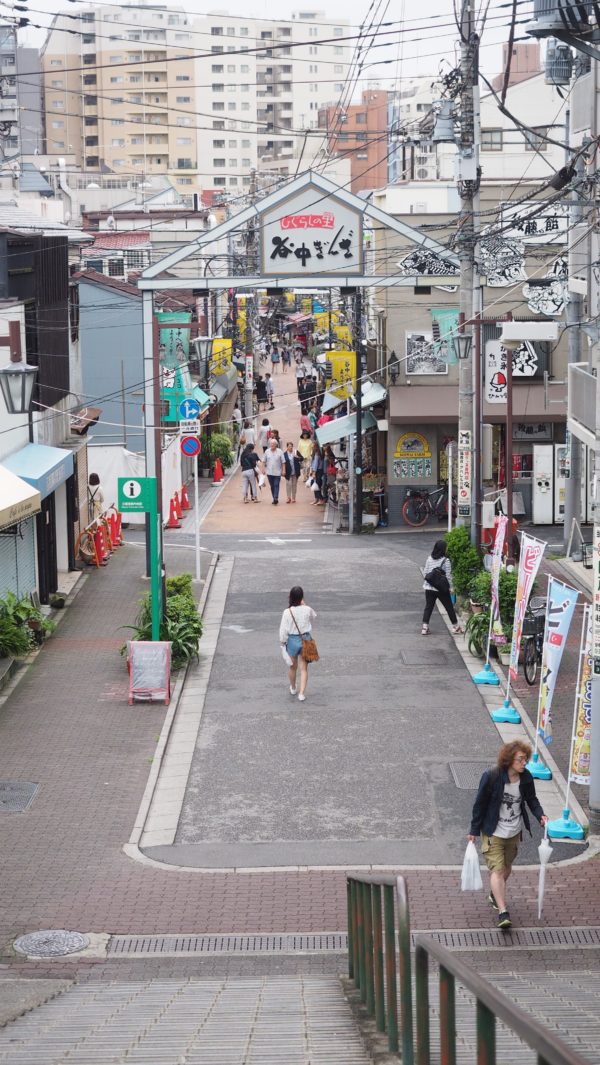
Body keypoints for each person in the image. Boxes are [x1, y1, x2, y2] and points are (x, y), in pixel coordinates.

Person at [468, 740, 548, 930]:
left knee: (506, 869)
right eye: (521, 759)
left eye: (525, 760)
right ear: (509, 759)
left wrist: (540, 815)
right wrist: (473, 830)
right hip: (493, 831)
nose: (524, 763)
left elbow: (532, 800)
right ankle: (503, 912)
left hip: (513, 831)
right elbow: (479, 804)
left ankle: (494, 894)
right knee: (496, 870)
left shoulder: (526, 777)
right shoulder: (491, 776)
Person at [279, 585, 317, 702]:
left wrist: (283, 641)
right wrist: (304, 605)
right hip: (306, 639)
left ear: (290, 597)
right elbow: (314, 616)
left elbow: (283, 630)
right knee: (304, 668)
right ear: (301, 597)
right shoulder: (307, 609)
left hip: (292, 640)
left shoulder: (287, 612)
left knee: (292, 666)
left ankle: (293, 687)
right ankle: (301, 693)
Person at [422, 539, 462, 636]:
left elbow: (425, 573)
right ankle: (456, 627)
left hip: (429, 588)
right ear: (443, 549)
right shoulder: (446, 560)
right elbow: (448, 577)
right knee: (449, 608)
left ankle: (424, 628)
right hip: (441, 589)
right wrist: (451, 588)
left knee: (428, 607)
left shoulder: (429, 559)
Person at [263, 435, 285, 504]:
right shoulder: (267, 451)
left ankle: (276, 497)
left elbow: (283, 462)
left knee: (276, 485)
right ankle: (274, 498)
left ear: (276, 445)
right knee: (272, 486)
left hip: (277, 472)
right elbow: (263, 461)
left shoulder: (280, 451)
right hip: (269, 472)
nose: (271, 445)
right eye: (270, 444)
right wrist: (263, 469)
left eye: (273, 444)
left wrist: (283, 470)